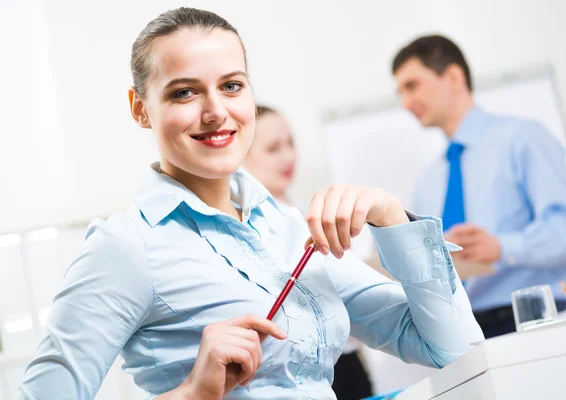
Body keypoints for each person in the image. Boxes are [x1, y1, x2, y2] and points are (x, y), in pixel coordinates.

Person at [16, 10, 483, 399]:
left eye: (232, 86)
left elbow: (453, 348)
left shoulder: (285, 226)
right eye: (184, 92)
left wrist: (391, 217)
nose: (216, 110)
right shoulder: (126, 246)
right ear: (140, 109)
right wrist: (192, 393)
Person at [391, 35, 566, 338]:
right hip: (465, 332)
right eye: (400, 93)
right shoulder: (428, 182)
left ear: (454, 76)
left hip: (536, 323)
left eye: (412, 86)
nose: (405, 103)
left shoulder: (523, 138)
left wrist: (501, 247)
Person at [244, 105, 373, 399]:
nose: (288, 156)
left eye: (291, 143)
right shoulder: (251, 230)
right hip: (300, 374)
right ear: (242, 155)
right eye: (273, 148)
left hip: (350, 364)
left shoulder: (311, 213)